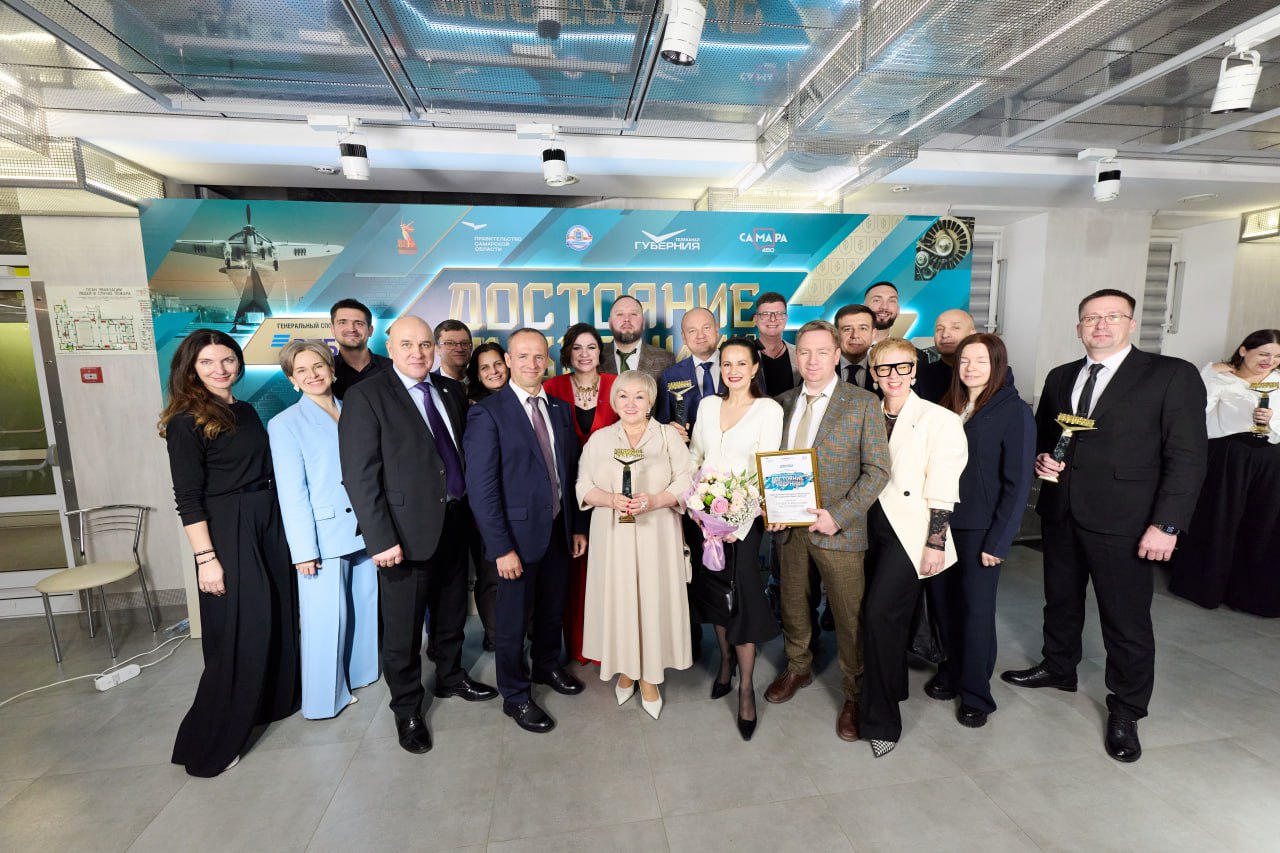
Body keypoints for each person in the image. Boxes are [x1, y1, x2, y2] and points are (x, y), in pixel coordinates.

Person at [1001, 289, 1207, 764]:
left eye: (1113, 316)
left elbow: (1189, 457)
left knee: (1125, 620)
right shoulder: (1061, 375)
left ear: (1131, 324)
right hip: (1062, 512)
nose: (1101, 325)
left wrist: (1167, 525)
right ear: (1079, 327)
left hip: (1127, 520)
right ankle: (1059, 667)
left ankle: (1127, 708)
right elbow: (1050, 436)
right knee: (1061, 601)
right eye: (1091, 318)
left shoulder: (1171, 374)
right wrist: (1044, 461)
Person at [339, 316, 498, 756]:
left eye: (425, 344)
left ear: (436, 348)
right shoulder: (366, 395)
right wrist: (380, 539)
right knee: (403, 630)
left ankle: (450, 676)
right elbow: (360, 475)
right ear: (390, 347)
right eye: (407, 344)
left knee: (451, 613)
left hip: (455, 524)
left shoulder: (449, 390)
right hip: (403, 536)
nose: (418, 352)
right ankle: (407, 707)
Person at [159, 330, 299, 776]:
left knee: (275, 615)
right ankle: (213, 740)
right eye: (207, 362)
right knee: (241, 630)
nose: (220, 369)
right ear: (191, 369)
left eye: (227, 360)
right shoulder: (186, 421)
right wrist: (207, 559)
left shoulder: (244, 410)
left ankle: (269, 704)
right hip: (228, 527)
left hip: (267, 520)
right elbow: (188, 498)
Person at [763, 320, 890, 745]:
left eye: (821, 352)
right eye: (804, 352)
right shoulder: (780, 404)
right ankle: (798, 666)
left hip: (839, 530)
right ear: (795, 356)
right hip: (789, 528)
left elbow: (877, 471)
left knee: (850, 615)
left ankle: (854, 692)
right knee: (793, 602)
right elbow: (768, 464)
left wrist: (838, 515)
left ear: (837, 355)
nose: (812, 360)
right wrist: (770, 506)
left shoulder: (863, 403)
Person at [465, 328, 589, 734]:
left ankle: (546, 666)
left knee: (552, 608)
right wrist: (501, 548)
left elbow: (569, 473)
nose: (532, 364)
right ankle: (515, 695)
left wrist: (576, 526)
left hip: (557, 529)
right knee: (512, 622)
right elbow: (481, 490)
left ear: (547, 359)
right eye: (522, 356)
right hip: (514, 540)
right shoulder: (488, 413)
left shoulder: (559, 408)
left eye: (539, 356)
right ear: (508, 360)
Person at [858, 337, 967, 757]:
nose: (893, 376)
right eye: (884, 368)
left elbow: (943, 485)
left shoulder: (940, 419)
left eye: (902, 366)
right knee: (879, 618)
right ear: (873, 373)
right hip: (864, 526)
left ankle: (883, 722)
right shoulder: (865, 412)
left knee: (880, 615)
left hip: (911, 532)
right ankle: (894, 687)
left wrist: (935, 542)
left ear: (915, 370)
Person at [926, 334, 1033, 729]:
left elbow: (1017, 484)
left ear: (998, 365)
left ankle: (976, 693)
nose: (971, 368)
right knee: (943, 604)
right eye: (965, 360)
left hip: (981, 529)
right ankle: (951, 670)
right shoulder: (949, 405)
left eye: (981, 361)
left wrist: (1000, 540)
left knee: (975, 611)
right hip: (941, 523)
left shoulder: (1014, 411)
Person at [267, 341, 378, 719]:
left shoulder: (355, 410)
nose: (312, 375)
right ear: (292, 380)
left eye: (318, 366)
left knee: (364, 607)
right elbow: (292, 492)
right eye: (302, 370)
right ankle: (323, 701)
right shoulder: (285, 424)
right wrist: (304, 550)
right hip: (324, 534)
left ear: (332, 369)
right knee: (325, 619)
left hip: (366, 527)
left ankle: (360, 676)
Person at [578, 370, 694, 720]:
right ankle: (626, 669)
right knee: (621, 600)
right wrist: (611, 499)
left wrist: (655, 500)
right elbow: (582, 485)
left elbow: (686, 481)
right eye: (623, 396)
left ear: (651, 401)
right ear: (614, 401)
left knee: (653, 601)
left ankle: (650, 677)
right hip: (613, 534)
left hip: (657, 532)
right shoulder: (599, 439)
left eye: (639, 396)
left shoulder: (667, 437)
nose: (631, 403)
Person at [689, 338, 783, 740]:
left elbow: (766, 468)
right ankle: (725, 660)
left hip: (744, 523)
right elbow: (695, 456)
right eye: (726, 363)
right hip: (703, 519)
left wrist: (736, 517)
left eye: (741, 363)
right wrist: (697, 506)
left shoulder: (769, 410)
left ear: (755, 367)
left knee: (741, 598)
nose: (733, 371)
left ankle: (746, 688)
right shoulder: (707, 405)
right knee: (715, 593)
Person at [1170, 329, 1280, 616]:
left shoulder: (1278, 381)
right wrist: (1211, 373)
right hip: (1229, 458)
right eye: (1264, 354)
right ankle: (1205, 587)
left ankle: (1250, 595)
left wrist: (1272, 420)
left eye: (1277, 356)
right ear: (1243, 350)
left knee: (1263, 524)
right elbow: (1198, 412)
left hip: (1271, 459)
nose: (1270, 361)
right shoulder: (1221, 377)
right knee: (1220, 520)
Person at [544, 323, 618, 665]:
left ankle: (611, 647)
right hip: (565, 495)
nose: (585, 354)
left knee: (608, 572)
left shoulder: (617, 386)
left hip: (610, 496)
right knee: (572, 574)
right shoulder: (551, 388)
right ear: (567, 353)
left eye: (591, 347)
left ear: (600, 352)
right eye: (577, 348)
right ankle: (579, 647)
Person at [463, 341, 508, 648]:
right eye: (485, 368)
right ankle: (494, 636)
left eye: (497, 364)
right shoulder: (473, 407)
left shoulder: (527, 398)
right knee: (491, 574)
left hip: (520, 506)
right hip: (486, 506)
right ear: (477, 375)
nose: (493, 371)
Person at [657, 307, 724, 437]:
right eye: (692, 331)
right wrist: (669, 430)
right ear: (684, 337)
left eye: (706, 328)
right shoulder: (670, 376)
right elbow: (662, 423)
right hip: (689, 448)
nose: (700, 335)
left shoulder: (741, 366)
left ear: (716, 330)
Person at [601, 294, 675, 381]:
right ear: (610, 322)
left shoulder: (665, 360)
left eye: (633, 314)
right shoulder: (596, 357)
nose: (627, 319)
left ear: (643, 322)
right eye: (620, 314)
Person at [329, 298, 391, 400]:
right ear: (333, 329)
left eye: (359, 323)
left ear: (370, 330)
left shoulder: (392, 368)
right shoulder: (326, 371)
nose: (351, 329)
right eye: (342, 322)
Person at [915, 309, 977, 403]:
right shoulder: (921, 377)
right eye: (939, 329)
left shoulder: (994, 375)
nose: (945, 335)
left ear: (972, 334)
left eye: (955, 328)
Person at [753, 291, 799, 396]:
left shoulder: (799, 354)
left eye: (778, 314)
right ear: (756, 319)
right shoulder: (745, 355)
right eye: (765, 314)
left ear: (786, 318)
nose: (772, 319)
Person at [836, 304, 877, 394]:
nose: (855, 335)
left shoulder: (883, 369)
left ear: (873, 333)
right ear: (836, 334)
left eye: (863, 328)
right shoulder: (821, 367)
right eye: (847, 329)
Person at [434, 319, 473, 385]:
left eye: (464, 343)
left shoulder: (484, 382)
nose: (459, 349)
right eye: (450, 343)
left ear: (471, 347)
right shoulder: (428, 385)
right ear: (437, 348)